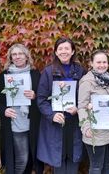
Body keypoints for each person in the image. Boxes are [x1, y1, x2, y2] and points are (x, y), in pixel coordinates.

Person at [37, 37, 86, 174]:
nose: (64, 51)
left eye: (67, 48)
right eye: (60, 49)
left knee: (73, 159)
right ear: (56, 52)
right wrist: (51, 115)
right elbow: (41, 99)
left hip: (74, 122)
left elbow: (86, 97)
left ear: (72, 51)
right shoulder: (48, 71)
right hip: (56, 124)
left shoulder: (81, 71)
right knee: (58, 162)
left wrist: (79, 108)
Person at [0, 44, 44, 174]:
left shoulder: (35, 74)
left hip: (32, 123)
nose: (17, 57)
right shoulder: (4, 76)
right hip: (15, 123)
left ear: (27, 56)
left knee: (31, 160)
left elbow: (43, 96)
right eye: (14, 54)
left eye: (20, 54)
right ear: (10, 58)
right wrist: (4, 110)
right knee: (22, 159)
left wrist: (35, 95)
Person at [78, 50, 109, 174]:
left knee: (108, 166)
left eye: (104, 62)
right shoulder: (86, 82)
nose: (102, 65)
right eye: (98, 62)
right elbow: (81, 107)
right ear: (91, 63)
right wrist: (86, 127)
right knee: (96, 167)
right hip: (94, 132)